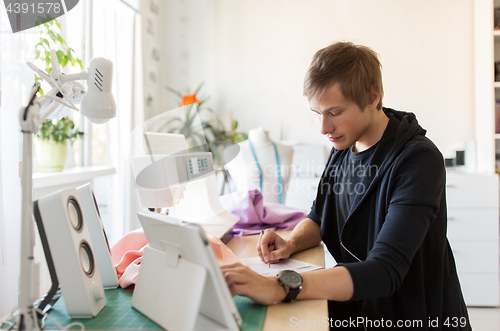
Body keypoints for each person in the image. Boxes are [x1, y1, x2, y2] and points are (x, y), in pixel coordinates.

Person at [221, 41, 471, 330]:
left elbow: (384, 271)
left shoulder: (418, 161)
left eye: (334, 112)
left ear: (372, 97)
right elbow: (318, 217)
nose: (323, 128)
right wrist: (290, 242)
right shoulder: (342, 147)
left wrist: (280, 285)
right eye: (318, 114)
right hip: (360, 309)